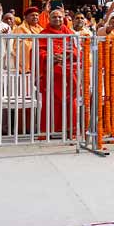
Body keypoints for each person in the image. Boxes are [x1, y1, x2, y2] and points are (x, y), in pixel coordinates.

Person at [39, 8, 77, 136]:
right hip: (51, 75)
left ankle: (70, 130)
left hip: (69, 76)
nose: (58, 19)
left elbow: (77, 51)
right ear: (49, 19)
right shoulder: (43, 34)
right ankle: (48, 132)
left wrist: (67, 55)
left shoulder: (69, 33)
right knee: (50, 103)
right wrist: (50, 57)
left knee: (70, 103)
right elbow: (38, 52)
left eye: (60, 17)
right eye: (54, 17)